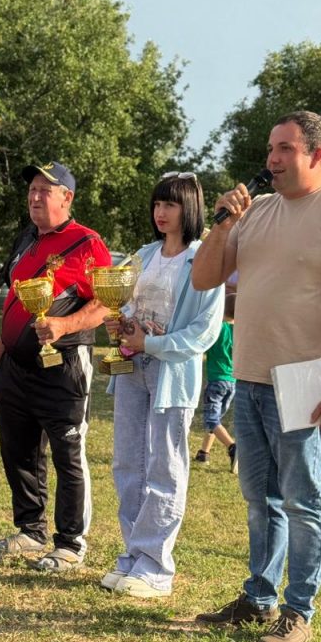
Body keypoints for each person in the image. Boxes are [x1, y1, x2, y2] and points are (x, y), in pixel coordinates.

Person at [192, 111, 321, 642]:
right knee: (260, 498)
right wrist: (222, 223)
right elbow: (204, 278)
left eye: (284, 149)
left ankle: (298, 612)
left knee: (302, 499)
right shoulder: (255, 212)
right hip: (249, 376)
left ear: (316, 154)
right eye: (270, 148)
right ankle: (259, 597)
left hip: (305, 378)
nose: (271, 159)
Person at [100, 172, 224, 598]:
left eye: (170, 204)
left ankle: (156, 566)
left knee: (164, 466)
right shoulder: (145, 254)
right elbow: (128, 303)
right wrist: (121, 323)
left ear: (189, 208)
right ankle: (133, 556)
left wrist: (151, 342)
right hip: (132, 369)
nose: (160, 212)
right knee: (128, 463)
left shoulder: (203, 258)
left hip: (171, 374)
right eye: (157, 204)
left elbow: (204, 332)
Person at [0, 161, 111, 571]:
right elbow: (15, 300)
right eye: (32, 190)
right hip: (15, 368)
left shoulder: (87, 243)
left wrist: (64, 325)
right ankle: (30, 529)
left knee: (67, 454)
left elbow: (106, 303)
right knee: (18, 451)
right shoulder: (26, 239)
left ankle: (71, 543)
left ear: (66, 198)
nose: (35, 197)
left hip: (64, 367)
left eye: (45, 190)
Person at [195, 289, 238, 472]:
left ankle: (233, 447)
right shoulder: (238, 332)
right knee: (217, 418)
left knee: (211, 418)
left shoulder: (217, 329)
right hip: (232, 382)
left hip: (216, 381)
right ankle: (204, 452)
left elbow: (203, 345)